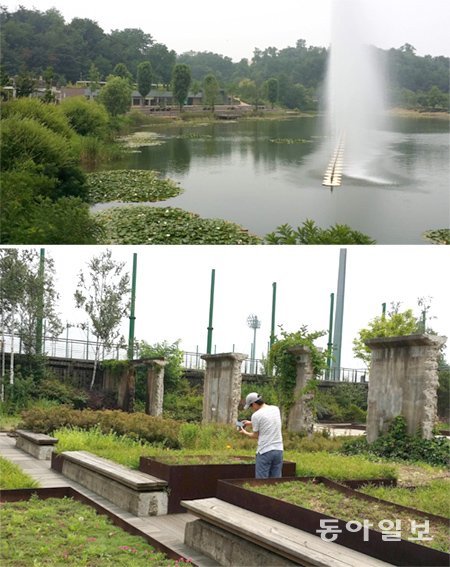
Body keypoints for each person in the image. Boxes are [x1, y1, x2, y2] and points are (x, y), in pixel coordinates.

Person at [238, 392, 284, 479]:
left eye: (251, 406)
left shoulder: (256, 415)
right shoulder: (275, 409)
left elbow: (255, 435)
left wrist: (245, 432)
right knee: (276, 482)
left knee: (261, 482)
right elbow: (268, 422)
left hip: (264, 451)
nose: (252, 409)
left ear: (254, 404)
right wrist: (250, 423)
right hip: (279, 450)